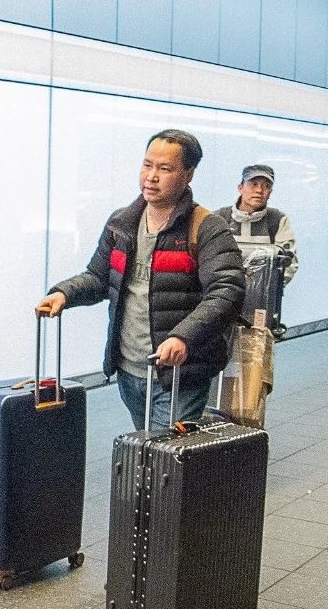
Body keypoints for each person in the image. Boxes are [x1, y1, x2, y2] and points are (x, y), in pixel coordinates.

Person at [38, 130, 244, 429]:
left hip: (178, 375)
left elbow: (227, 291)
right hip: (130, 369)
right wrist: (64, 294)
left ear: (188, 174)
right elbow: (99, 277)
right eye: (147, 165)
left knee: (166, 454)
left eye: (165, 169)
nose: (151, 177)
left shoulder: (207, 228)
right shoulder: (122, 223)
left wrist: (183, 337)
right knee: (143, 449)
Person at [216, 164, 298, 283]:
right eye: (254, 184)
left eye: (266, 186)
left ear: (270, 192)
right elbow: (208, 259)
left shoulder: (278, 220)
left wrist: (271, 287)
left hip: (264, 291)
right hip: (223, 289)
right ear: (240, 188)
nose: (259, 190)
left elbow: (288, 263)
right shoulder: (219, 218)